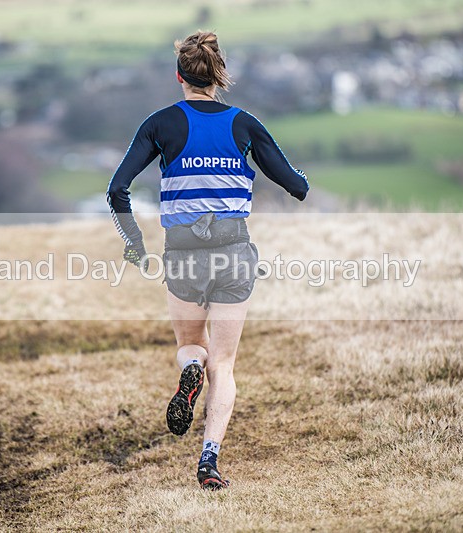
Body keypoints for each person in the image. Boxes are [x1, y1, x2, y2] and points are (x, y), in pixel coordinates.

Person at [107, 30, 309, 490]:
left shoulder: (160, 124)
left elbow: (116, 189)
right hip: (234, 253)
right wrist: (300, 178)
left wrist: (134, 243)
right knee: (226, 363)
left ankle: (189, 372)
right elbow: (295, 186)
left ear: (179, 76)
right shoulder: (244, 124)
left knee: (190, 347)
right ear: (219, 76)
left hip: (182, 256)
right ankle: (209, 460)